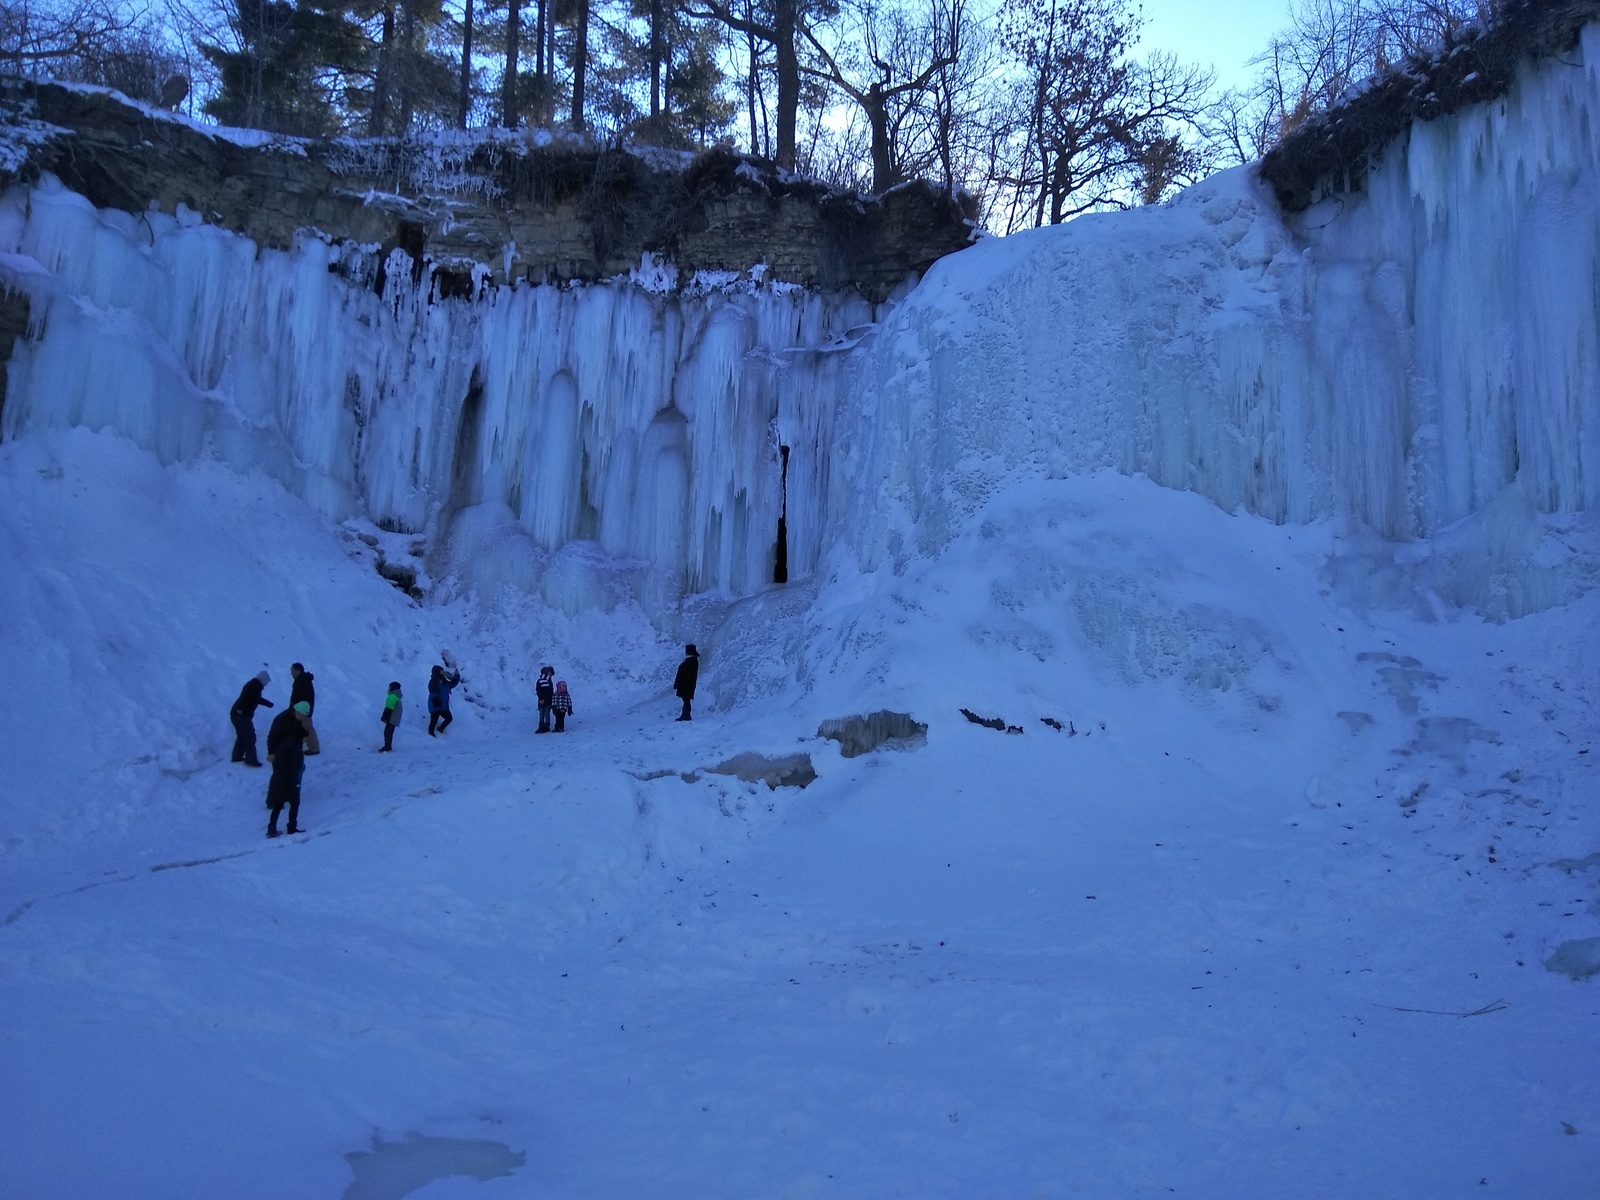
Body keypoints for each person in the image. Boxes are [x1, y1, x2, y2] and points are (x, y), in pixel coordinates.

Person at [265, 701, 310, 837]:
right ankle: (291, 827)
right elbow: (295, 763)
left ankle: (271, 828)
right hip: (290, 774)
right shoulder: (285, 725)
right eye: (302, 715)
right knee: (294, 801)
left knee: (279, 802)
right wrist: (295, 778)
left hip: (280, 771)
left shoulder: (289, 734)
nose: (303, 718)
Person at [229, 671, 273, 767]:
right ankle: (250, 759)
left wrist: (268, 704)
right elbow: (246, 698)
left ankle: (237, 757)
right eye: (266, 681)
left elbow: (254, 698)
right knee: (250, 736)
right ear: (263, 679)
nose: (266, 683)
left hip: (237, 714)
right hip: (241, 715)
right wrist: (241, 710)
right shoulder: (254, 686)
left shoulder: (254, 685)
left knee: (242, 735)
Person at [289, 662, 319, 755]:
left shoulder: (303, 681)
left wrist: (294, 708)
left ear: (298, 671)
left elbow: (299, 697)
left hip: (303, 711)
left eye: (292, 670)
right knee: (305, 728)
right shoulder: (301, 680)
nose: (291, 673)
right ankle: (313, 748)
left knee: (307, 729)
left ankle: (313, 749)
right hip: (302, 710)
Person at [427, 662, 461, 735]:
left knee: (449, 718)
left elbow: (453, 683)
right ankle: (430, 735)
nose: (443, 672)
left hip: (443, 706)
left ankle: (440, 729)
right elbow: (433, 693)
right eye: (441, 671)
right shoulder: (433, 681)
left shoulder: (444, 681)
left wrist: (456, 675)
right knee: (433, 722)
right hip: (435, 706)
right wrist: (436, 702)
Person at [673, 644, 699, 722]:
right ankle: (685, 715)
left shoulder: (691, 661)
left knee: (686, 700)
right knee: (685, 700)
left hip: (686, 684)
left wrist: (680, 684)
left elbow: (686, 674)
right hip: (687, 684)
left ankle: (686, 715)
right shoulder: (691, 660)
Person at [380, 681, 403, 751]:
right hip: (395, 718)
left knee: (387, 732)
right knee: (389, 732)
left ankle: (387, 746)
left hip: (392, 718)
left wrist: (384, 716)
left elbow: (389, 708)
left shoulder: (392, 696)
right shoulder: (396, 696)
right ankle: (388, 745)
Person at [535, 666, 556, 733]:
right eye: (549, 672)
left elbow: (550, 691)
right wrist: (541, 698)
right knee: (541, 713)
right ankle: (541, 727)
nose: (550, 673)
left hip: (548, 700)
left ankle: (546, 727)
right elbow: (538, 690)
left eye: (551, 672)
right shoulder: (541, 681)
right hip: (542, 700)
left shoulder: (549, 681)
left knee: (547, 713)